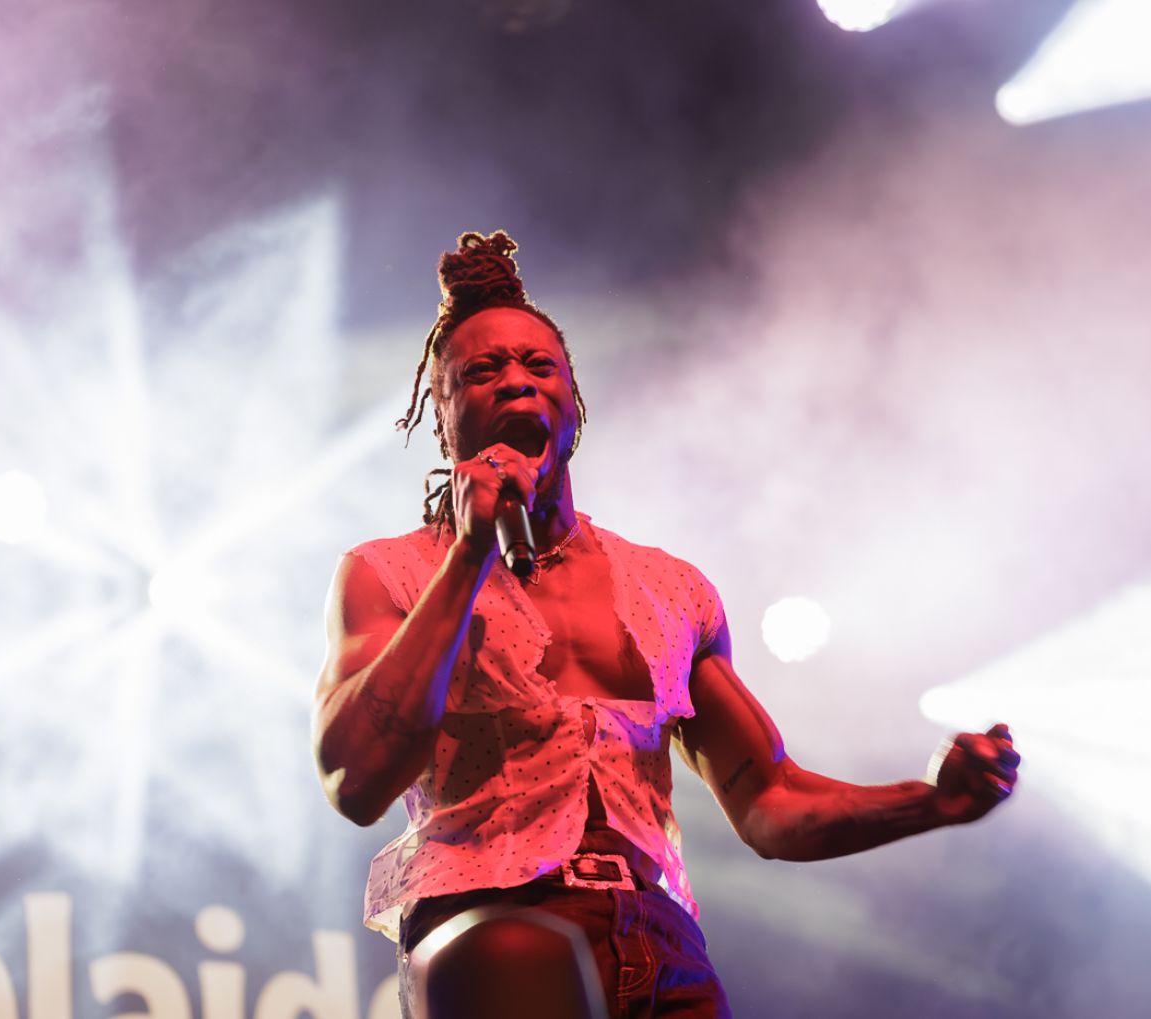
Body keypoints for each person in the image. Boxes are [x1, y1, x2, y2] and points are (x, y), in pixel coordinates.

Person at [312, 230, 1020, 1018]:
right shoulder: (390, 573)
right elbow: (355, 776)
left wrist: (931, 801)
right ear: (441, 420)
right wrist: (471, 554)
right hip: (494, 932)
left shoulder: (668, 589)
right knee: (519, 955)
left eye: (539, 365)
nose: (516, 380)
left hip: (658, 944)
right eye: (481, 371)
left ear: (573, 403)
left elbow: (770, 798)